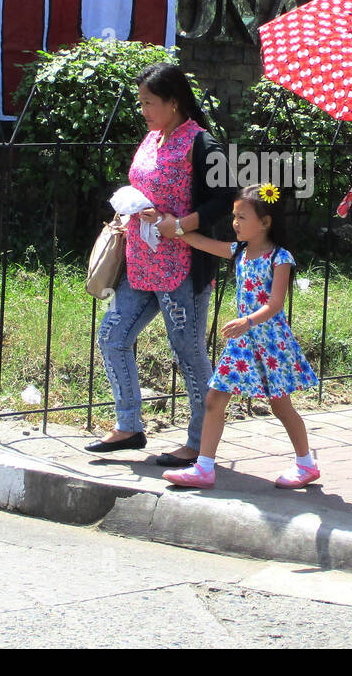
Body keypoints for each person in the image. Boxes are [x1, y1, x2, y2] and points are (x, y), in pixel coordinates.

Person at [86, 63, 234, 468]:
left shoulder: (203, 144)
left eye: (149, 103)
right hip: (140, 262)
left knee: (187, 350)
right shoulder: (153, 137)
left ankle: (199, 442)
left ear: (174, 102)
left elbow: (226, 199)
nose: (144, 111)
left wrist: (181, 225)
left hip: (181, 268)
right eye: (141, 103)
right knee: (112, 336)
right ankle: (129, 426)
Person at [161, 183, 320, 490]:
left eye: (242, 217)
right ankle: (204, 468)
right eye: (234, 216)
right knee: (214, 398)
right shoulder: (240, 252)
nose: (234, 223)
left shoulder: (280, 257)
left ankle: (306, 464)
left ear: (265, 222)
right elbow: (202, 242)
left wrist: (247, 321)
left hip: (270, 341)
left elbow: (275, 305)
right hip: (243, 342)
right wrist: (175, 230)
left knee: (281, 406)